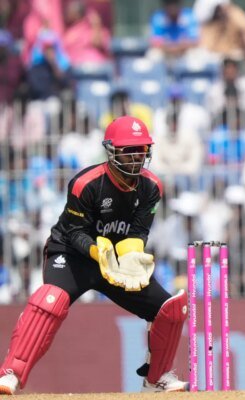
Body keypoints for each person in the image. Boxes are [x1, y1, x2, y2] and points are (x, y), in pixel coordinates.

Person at [0, 116, 188, 394]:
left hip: (116, 261)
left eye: (141, 150)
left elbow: (139, 230)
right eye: (128, 150)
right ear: (111, 152)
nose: (136, 157)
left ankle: (156, 378)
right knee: (50, 300)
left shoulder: (152, 187)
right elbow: (75, 231)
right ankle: (11, 373)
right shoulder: (86, 183)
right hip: (72, 254)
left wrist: (132, 254)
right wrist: (98, 253)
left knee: (169, 309)